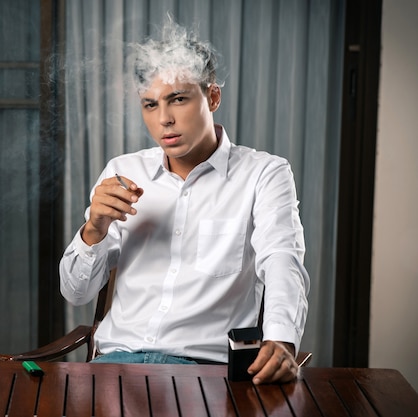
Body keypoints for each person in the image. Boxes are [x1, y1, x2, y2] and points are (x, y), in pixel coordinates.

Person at [59, 18, 309, 384]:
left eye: (178, 99)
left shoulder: (264, 173)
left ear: (212, 97)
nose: (164, 119)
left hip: (204, 377)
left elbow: (282, 259)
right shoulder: (123, 171)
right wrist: (94, 229)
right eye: (150, 104)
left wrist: (282, 340)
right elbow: (75, 292)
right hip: (114, 369)